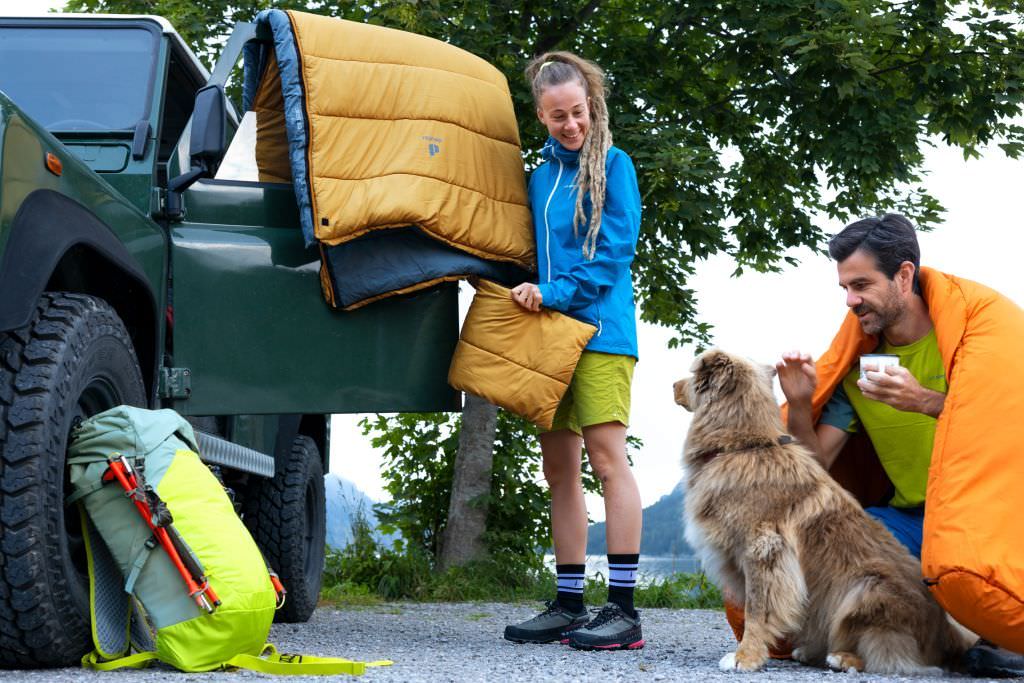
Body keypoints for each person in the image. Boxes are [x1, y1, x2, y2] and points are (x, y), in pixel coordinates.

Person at [776, 213, 1024, 676]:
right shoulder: (859, 366)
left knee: (976, 572)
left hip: (995, 514)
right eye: (845, 288)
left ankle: (989, 636)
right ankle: (887, 642)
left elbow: (1007, 422)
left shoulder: (969, 347)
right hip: (910, 520)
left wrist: (925, 401)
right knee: (843, 541)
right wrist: (802, 405)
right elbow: (814, 469)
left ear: (904, 275)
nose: (851, 300)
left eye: (862, 285)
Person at [502, 51, 644, 651]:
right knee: (558, 468)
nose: (571, 125)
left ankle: (624, 610)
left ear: (593, 105)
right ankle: (567, 604)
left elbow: (614, 256)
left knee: (607, 460)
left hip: (602, 333)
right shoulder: (537, 178)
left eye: (579, 113)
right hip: (548, 337)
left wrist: (555, 292)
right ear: (541, 115)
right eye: (558, 116)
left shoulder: (614, 165)